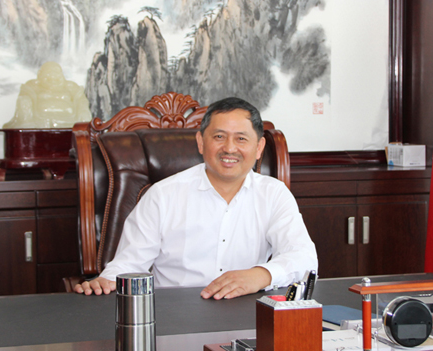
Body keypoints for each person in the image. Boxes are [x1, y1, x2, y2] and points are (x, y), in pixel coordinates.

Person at [74, 97, 318, 299]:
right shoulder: (162, 195)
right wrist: (105, 282)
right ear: (201, 142)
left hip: (245, 315)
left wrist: (261, 275)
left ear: (259, 148)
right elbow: (128, 265)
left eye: (241, 139)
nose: (229, 148)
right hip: (173, 316)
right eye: (219, 137)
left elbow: (304, 259)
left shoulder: (274, 194)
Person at [3, 61, 91, 129]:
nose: (52, 77)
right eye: (48, 73)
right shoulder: (32, 86)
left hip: (71, 123)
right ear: (40, 74)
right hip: (39, 123)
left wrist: (83, 112)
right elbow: (25, 96)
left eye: (56, 73)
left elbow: (81, 100)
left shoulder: (71, 87)